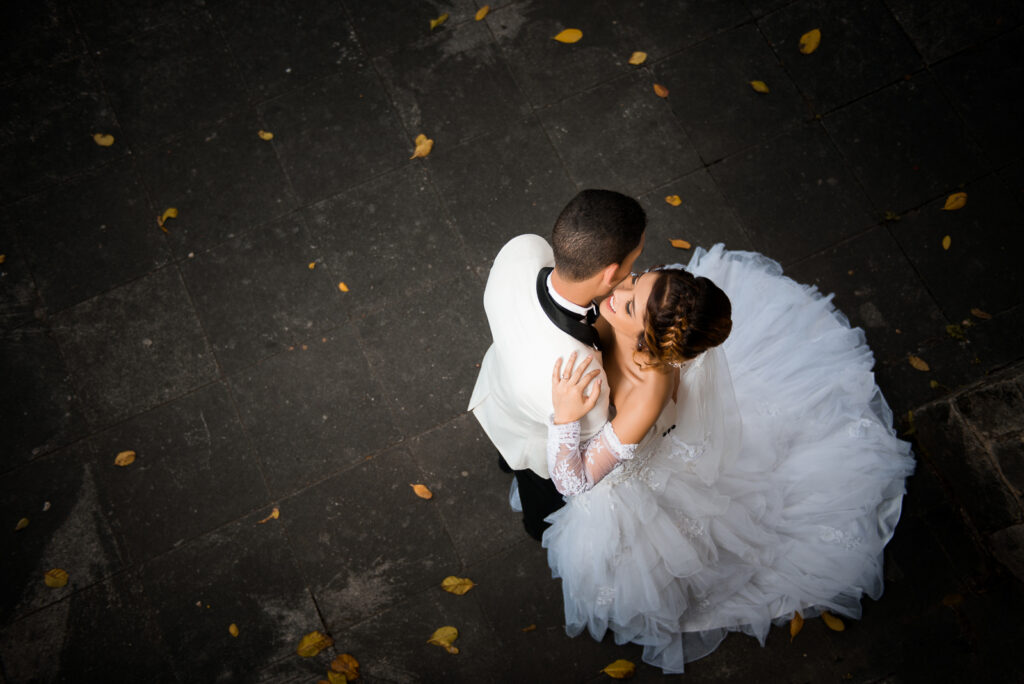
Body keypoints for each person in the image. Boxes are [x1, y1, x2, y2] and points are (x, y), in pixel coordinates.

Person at [542, 246, 916, 673]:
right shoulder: (631, 312)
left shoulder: (647, 394)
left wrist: (566, 418)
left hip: (628, 489)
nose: (617, 290)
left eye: (629, 303)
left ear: (649, 342)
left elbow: (572, 483)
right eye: (636, 279)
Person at [468, 189, 645, 541]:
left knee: (507, 454)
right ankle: (538, 529)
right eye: (634, 259)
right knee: (541, 502)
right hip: (535, 441)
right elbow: (580, 456)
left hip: (495, 387)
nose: (635, 268)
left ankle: (505, 461)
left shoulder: (521, 250)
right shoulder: (584, 379)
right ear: (611, 273)